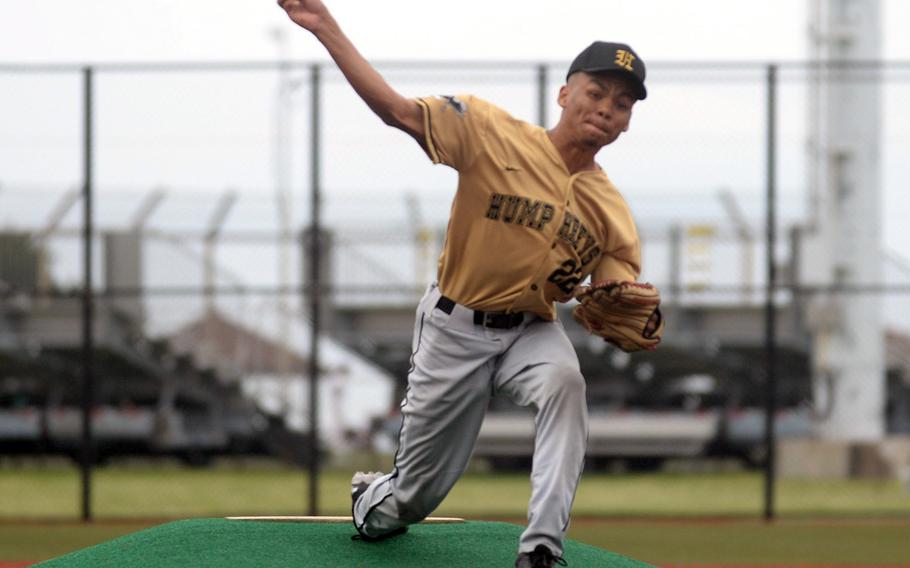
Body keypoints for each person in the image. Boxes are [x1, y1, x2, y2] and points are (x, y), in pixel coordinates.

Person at [277, 1, 649, 566]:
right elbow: (397, 111)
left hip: (532, 330)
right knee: (412, 500)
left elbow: (618, 286)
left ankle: (543, 548)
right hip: (455, 327)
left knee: (566, 386)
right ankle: (374, 497)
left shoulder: (611, 209)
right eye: (596, 92)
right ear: (565, 95)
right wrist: (327, 29)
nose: (607, 108)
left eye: (621, 104)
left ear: (626, 122)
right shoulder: (486, 129)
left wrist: (621, 300)